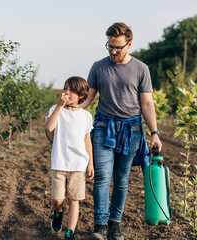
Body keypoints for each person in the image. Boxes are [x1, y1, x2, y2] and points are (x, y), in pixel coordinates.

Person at [80, 22, 162, 240]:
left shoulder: (141, 69)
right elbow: (87, 99)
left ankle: (114, 224)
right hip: (103, 127)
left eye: (118, 47)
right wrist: (65, 110)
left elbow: (146, 104)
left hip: (131, 130)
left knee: (121, 178)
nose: (113, 51)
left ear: (129, 44)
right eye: (110, 46)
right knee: (102, 177)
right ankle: (100, 226)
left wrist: (154, 133)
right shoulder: (98, 67)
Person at [45, 76, 95, 240]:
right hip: (59, 162)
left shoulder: (86, 116)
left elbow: (87, 139)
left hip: (78, 164)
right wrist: (60, 106)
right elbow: (50, 127)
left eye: (71, 90)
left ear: (81, 95)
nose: (66, 92)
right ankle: (58, 212)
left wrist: (90, 163)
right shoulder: (56, 109)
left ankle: (70, 232)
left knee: (74, 200)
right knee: (57, 199)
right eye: (65, 88)